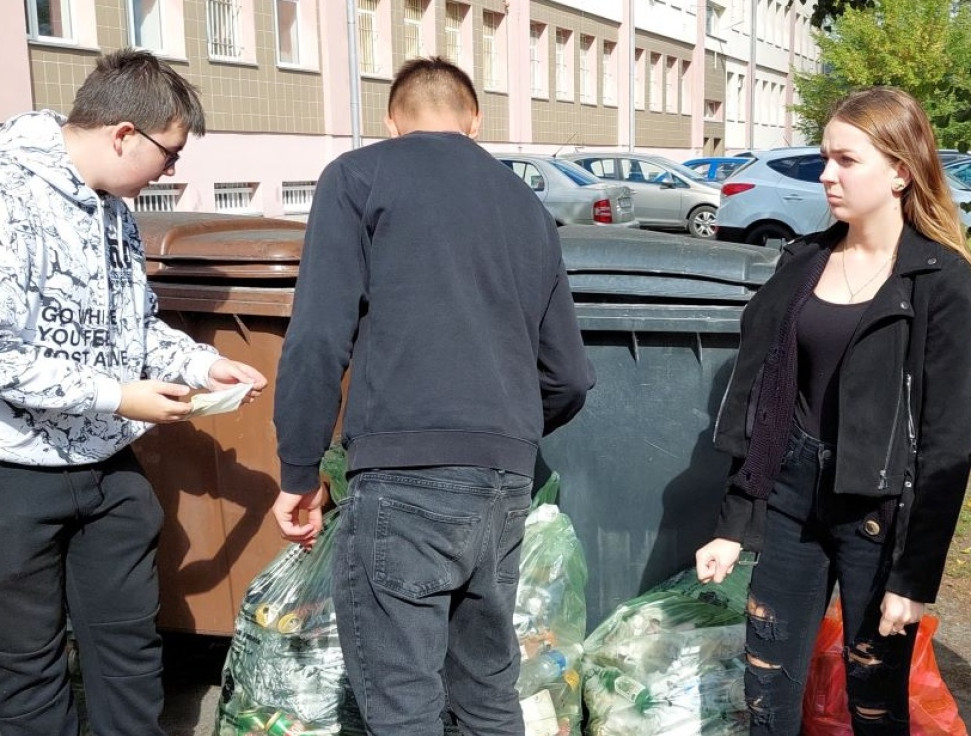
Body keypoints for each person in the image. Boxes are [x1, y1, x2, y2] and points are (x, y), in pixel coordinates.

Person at [271, 58, 593, 735]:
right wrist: (504, 434)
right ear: (475, 121)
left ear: (392, 122)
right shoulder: (526, 205)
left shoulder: (358, 177)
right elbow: (567, 375)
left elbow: (318, 338)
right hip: (503, 483)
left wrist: (299, 472)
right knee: (487, 693)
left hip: (404, 476)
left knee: (403, 703)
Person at [694, 86, 971, 735]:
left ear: (900, 171)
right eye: (826, 158)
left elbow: (947, 444)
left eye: (847, 160)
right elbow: (761, 398)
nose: (828, 174)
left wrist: (913, 577)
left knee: (874, 705)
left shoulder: (939, 281)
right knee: (766, 691)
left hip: (877, 512)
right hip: (793, 500)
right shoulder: (803, 261)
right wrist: (734, 523)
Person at [0, 50, 268, 736]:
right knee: (26, 669)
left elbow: (135, 328)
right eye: (169, 154)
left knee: (129, 653)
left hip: (108, 468)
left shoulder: (115, 213)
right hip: (15, 472)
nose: (171, 170)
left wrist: (204, 366)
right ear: (124, 134)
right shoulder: (9, 197)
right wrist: (118, 397)